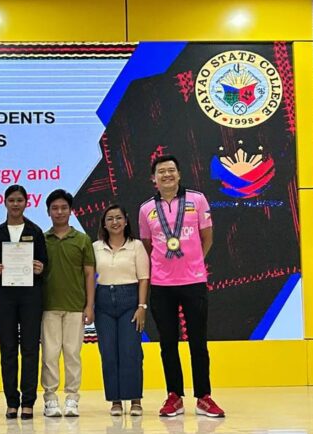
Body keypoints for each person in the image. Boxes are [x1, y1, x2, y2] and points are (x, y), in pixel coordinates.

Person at [138, 154, 225, 418]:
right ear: (153, 178)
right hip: (161, 285)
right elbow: (147, 245)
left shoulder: (197, 200)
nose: (167, 175)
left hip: (193, 282)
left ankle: (204, 397)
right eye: (161, 171)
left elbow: (207, 238)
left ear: (179, 174)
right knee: (168, 343)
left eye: (171, 170)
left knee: (198, 342)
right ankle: (174, 396)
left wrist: (194, 262)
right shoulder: (146, 209)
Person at [0, 185, 48, 419]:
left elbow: (45, 263)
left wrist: (40, 268)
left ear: (26, 203)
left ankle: (28, 402)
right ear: (4, 202)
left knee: (30, 348)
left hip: (31, 295)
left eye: (19, 200)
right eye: (11, 200)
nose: (15, 204)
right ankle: (11, 401)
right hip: (5, 296)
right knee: (8, 349)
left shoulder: (36, 231)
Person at [40, 189, 95, 418]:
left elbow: (89, 274)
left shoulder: (82, 240)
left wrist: (89, 305)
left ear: (71, 211)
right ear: (48, 212)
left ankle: (72, 398)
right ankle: (50, 399)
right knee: (49, 355)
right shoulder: (42, 239)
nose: (59, 212)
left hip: (75, 307)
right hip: (48, 306)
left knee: (72, 354)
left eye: (64, 207)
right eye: (55, 208)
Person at [93, 204, 149, 417]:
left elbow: (144, 278)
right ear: (104, 224)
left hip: (130, 301)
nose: (114, 222)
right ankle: (115, 401)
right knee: (108, 352)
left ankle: (135, 400)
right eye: (109, 219)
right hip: (103, 302)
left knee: (130, 351)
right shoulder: (95, 247)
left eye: (118, 218)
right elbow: (89, 277)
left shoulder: (136, 246)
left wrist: (141, 306)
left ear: (126, 221)